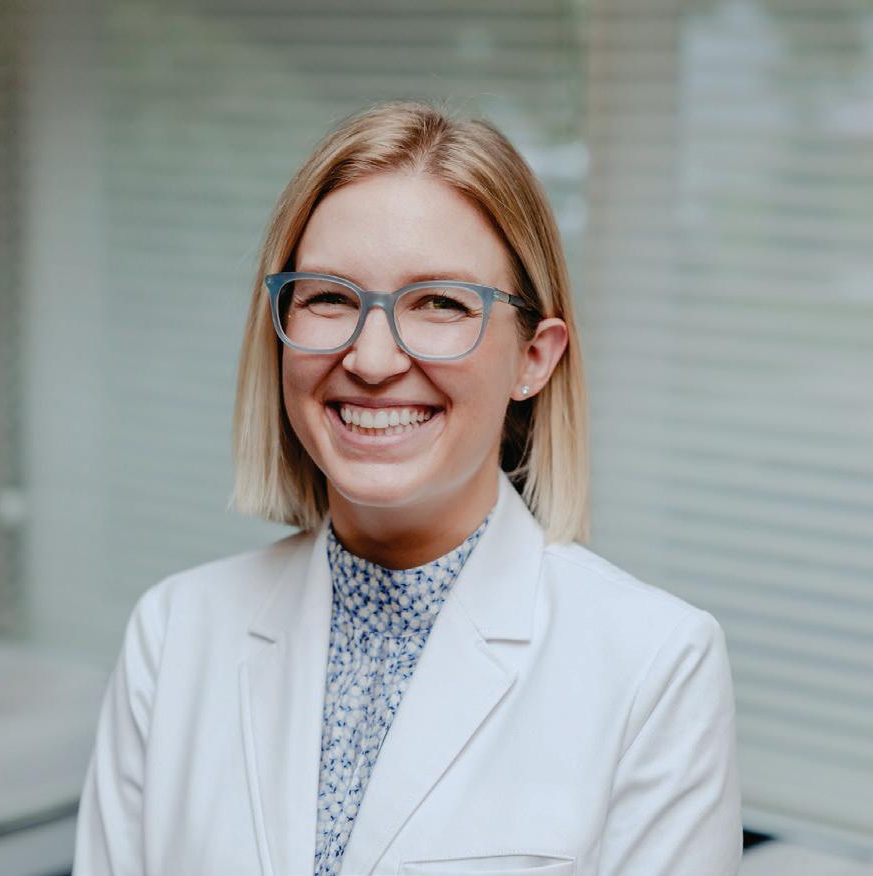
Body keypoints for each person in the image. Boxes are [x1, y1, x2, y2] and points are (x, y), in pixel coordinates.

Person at [73, 101, 740, 876]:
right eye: (329, 297)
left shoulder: (656, 665)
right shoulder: (174, 634)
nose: (373, 360)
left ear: (534, 357)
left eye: (440, 303)